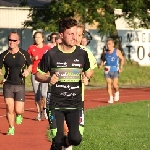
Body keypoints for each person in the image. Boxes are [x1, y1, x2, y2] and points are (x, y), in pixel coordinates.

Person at [35, 18, 93, 150]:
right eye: (70, 34)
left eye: (75, 33)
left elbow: (89, 71)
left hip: (75, 104)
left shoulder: (82, 53)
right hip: (56, 104)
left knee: (76, 139)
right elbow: (38, 74)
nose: (74, 37)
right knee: (57, 139)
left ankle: (64, 145)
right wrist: (49, 79)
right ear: (61, 35)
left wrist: (87, 77)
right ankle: (58, 144)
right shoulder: (51, 54)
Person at [0, 32, 32, 135]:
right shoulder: (3, 55)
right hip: (8, 84)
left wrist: (27, 71)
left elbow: (30, 66)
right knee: (9, 108)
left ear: (18, 41)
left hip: (20, 85)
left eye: (14, 40)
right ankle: (11, 128)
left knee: (18, 110)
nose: (11, 42)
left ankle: (19, 114)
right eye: (10, 40)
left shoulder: (24, 54)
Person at [27, 31, 50, 121]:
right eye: (35, 37)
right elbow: (28, 61)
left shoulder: (47, 48)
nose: (37, 39)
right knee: (37, 95)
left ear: (43, 38)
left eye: (39, 37)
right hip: (34, 73)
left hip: (44, 74)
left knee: (44, 94)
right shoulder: (31, 48)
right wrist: (33, 58)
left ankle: (44, 109)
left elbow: (51, 60)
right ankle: (39, 113)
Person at [98, 38, 124, 103]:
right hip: (107, 69)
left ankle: (117, 92)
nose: (108, 46)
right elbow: (103, 59)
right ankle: (111, 97)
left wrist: (121, 66)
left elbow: (122, 59)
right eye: (107, 44)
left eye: (109, 44)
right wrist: (101, 65)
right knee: (108, 83)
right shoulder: (105, 52)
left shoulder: (117, 51)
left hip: (115, 69)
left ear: (113, 44)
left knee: (115, 85)